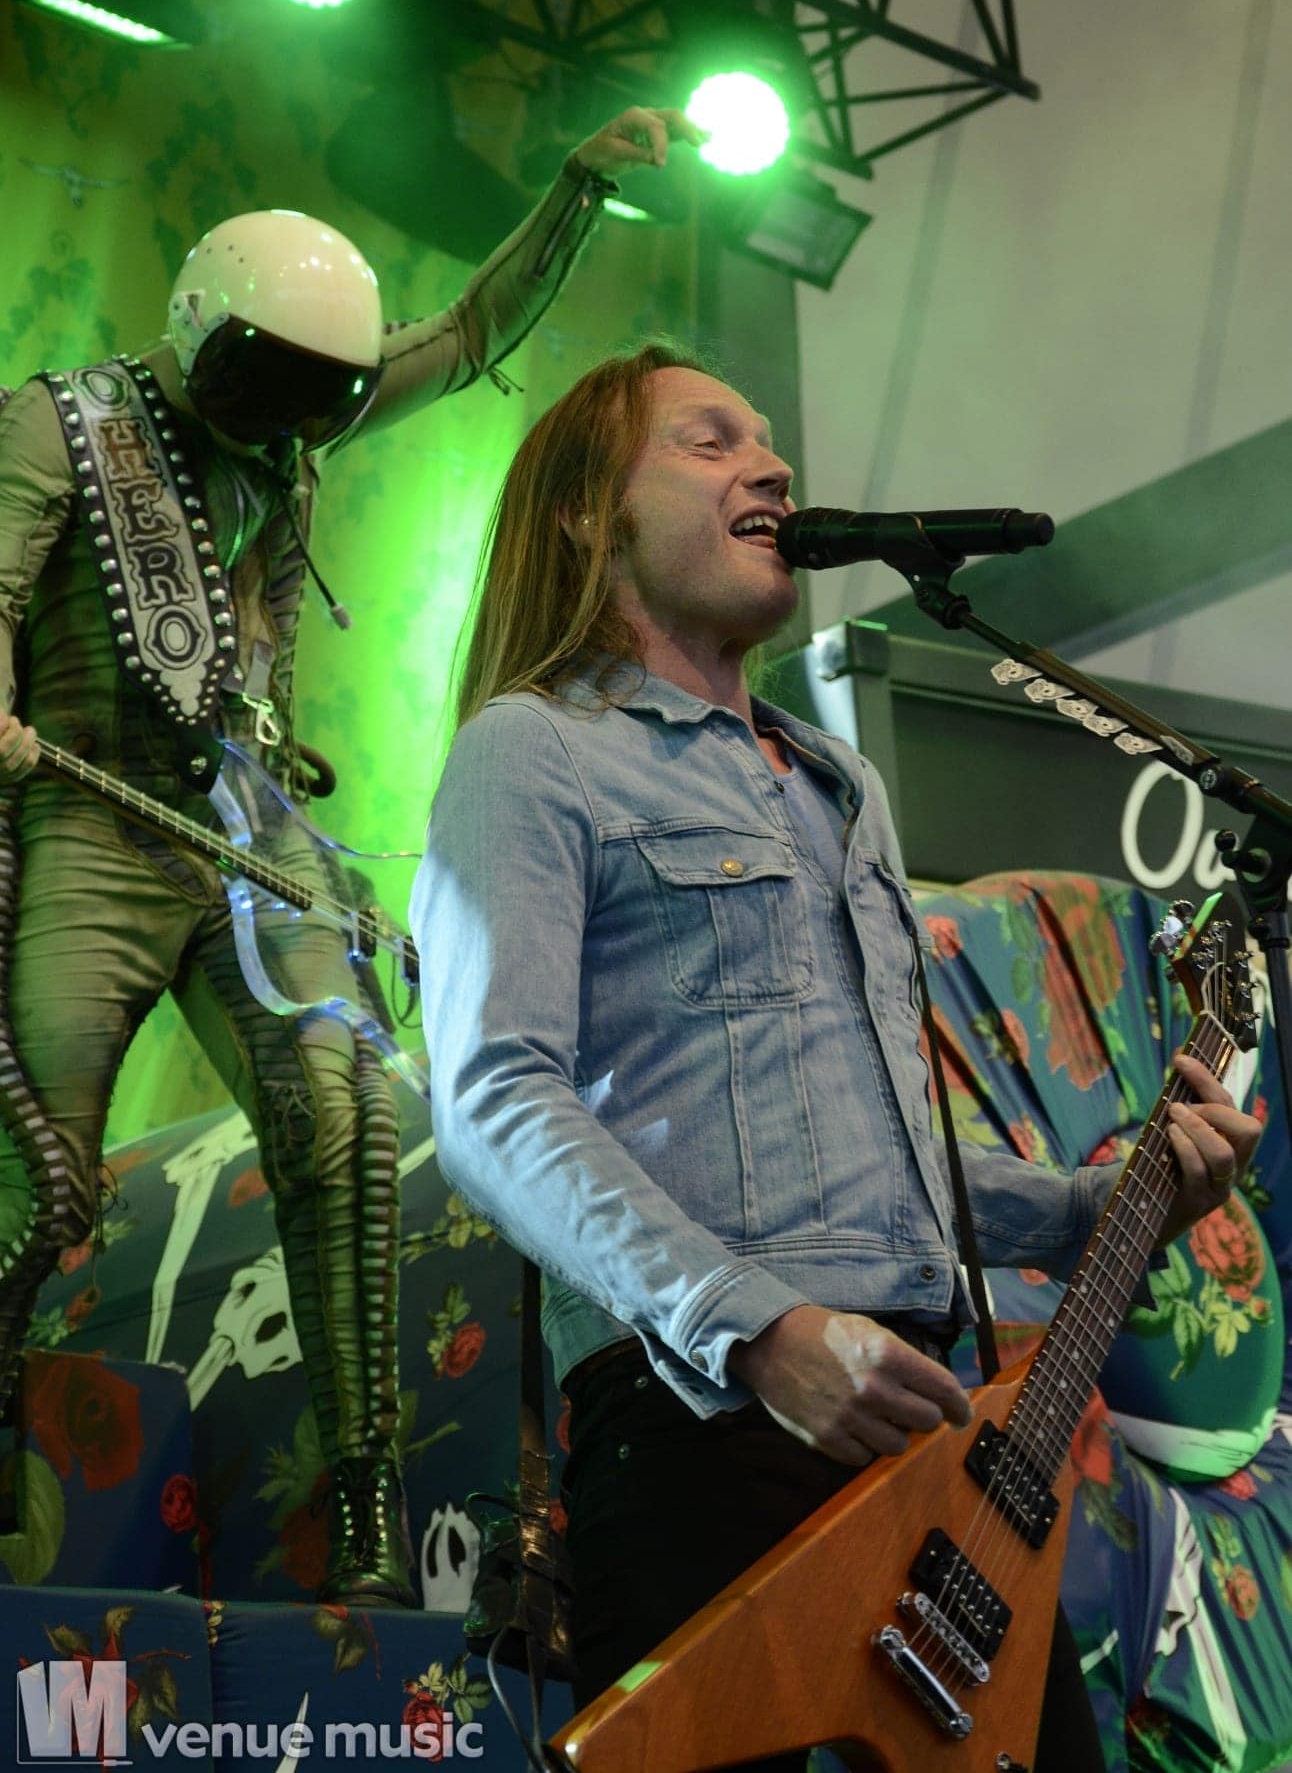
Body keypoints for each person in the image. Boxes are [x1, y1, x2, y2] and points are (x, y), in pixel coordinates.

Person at [411, 341, 1263, 1762]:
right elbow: (492, 1100)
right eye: (709, 441)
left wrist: (1100, 1207)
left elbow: (886, 1153)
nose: (773, 465)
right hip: (700, 1421)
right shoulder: (534, 751)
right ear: (586, 512)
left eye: (770, 442)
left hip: (925, 1431)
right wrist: (760, 1331)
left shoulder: (837, 786)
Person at [0, 109, 703, 1606]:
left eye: (316, 403)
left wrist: (576, 188)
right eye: (267, 390)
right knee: (35, 1172)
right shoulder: (55, 425)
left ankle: (368, 1514)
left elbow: (466, 335)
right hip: (90, 821)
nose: (289, 425)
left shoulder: (301, 406)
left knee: (350, 1126)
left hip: (250, 829)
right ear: (201, 335)